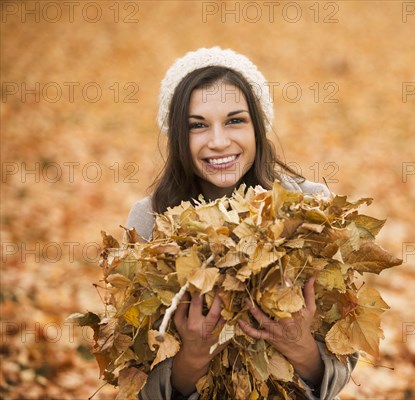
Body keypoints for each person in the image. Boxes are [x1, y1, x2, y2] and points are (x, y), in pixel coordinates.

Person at [126, 47, 357, 400]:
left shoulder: (311, 209)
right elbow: (134, 382)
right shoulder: (149, 221)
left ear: (257, 126)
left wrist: (300, 347)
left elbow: (341, 365)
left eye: (234, 121)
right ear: (177, 135)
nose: (219, 142)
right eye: (198, 126)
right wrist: (193, 359)